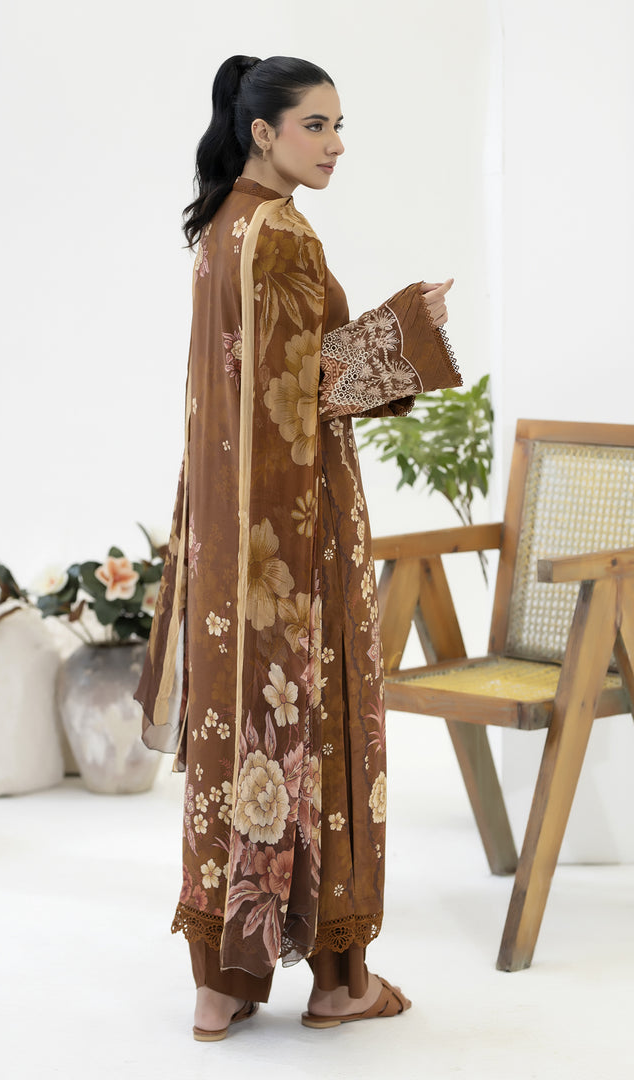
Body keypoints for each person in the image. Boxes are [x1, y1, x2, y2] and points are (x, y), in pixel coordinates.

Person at [135, 54, 460, 1041]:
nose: (336, 144)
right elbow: (301, 392)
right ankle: (339, 984)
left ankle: (222, 986)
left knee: (235, 742)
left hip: (226, 540)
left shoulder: (219, 229)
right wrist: (412, 326)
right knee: (322, 734)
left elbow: (257, 382)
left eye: (339, 125)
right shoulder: (280, 232)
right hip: (293, 544)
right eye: (316, 125)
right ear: (262, 132)